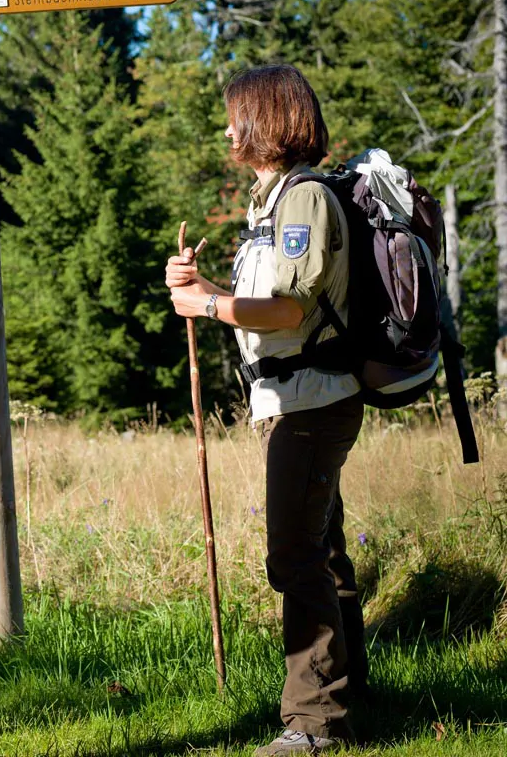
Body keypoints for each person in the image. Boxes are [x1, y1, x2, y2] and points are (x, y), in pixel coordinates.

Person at [165, 64, 367, 757]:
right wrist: (202, 287)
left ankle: (315, 724)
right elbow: (265, 306)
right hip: (293, 399)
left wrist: (206, 305)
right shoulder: (273, 202)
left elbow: (286, 311)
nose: (228, 131)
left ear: (268, 119)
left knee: (295, 559)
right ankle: (351, 695)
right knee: (322, 550)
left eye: (236, 117)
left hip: (311, 403)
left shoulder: (304, 200)